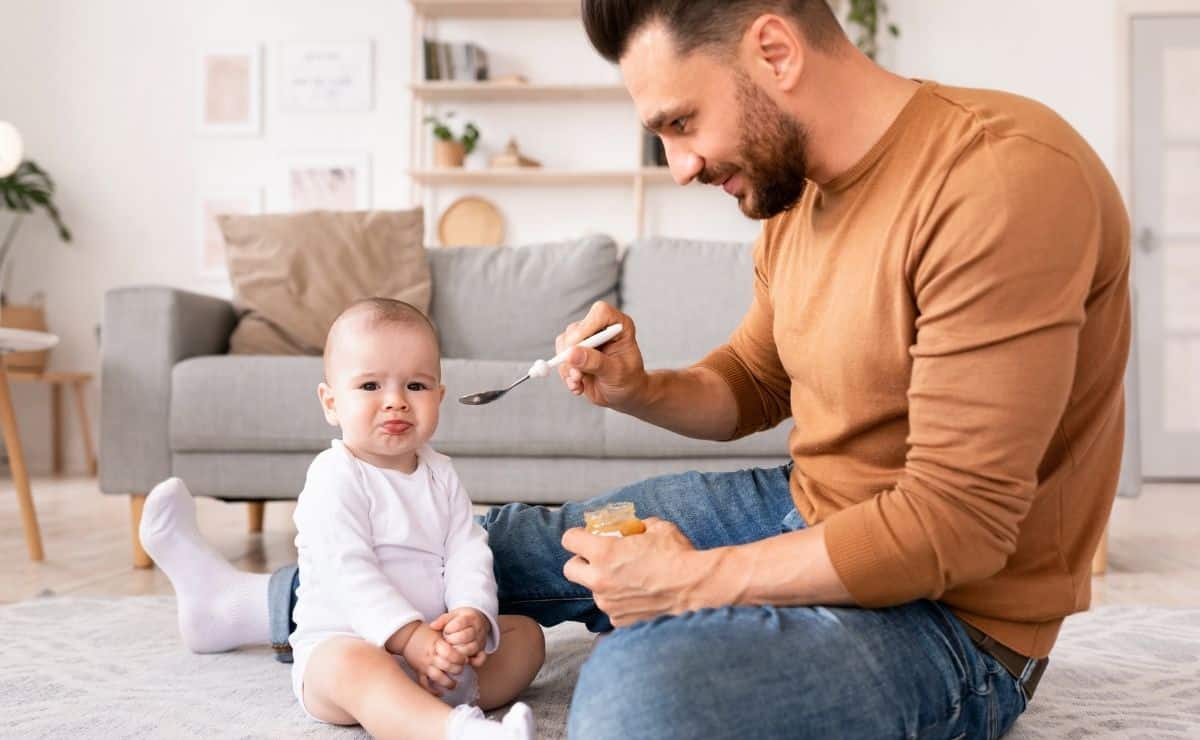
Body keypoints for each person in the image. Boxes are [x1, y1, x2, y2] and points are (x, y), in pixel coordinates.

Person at [141, 1, 1131, 737]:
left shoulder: (1000, 178)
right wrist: (641, 388)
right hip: (805, 509)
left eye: (679, 122)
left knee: (639, 692)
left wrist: (698, 582)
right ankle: (248, 606)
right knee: (488, 541)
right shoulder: (797, 198)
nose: (680, 166)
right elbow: (757, 379)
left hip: (955, 620)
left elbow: (955, 520)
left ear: (774, 51)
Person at [142, 299, 544, 740]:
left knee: (525, 637)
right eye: (370, 386)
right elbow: (349, 572)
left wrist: (471, 615)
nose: (395, 402)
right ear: (331, 403)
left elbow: (467, 548)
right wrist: (409, 639)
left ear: (439, 397)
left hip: (432, 649)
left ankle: (418, 703)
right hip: (350, 644)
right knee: (353, 665)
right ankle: (455, 731)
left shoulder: (439, 473)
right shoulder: (335, 476)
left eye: (416, 385)